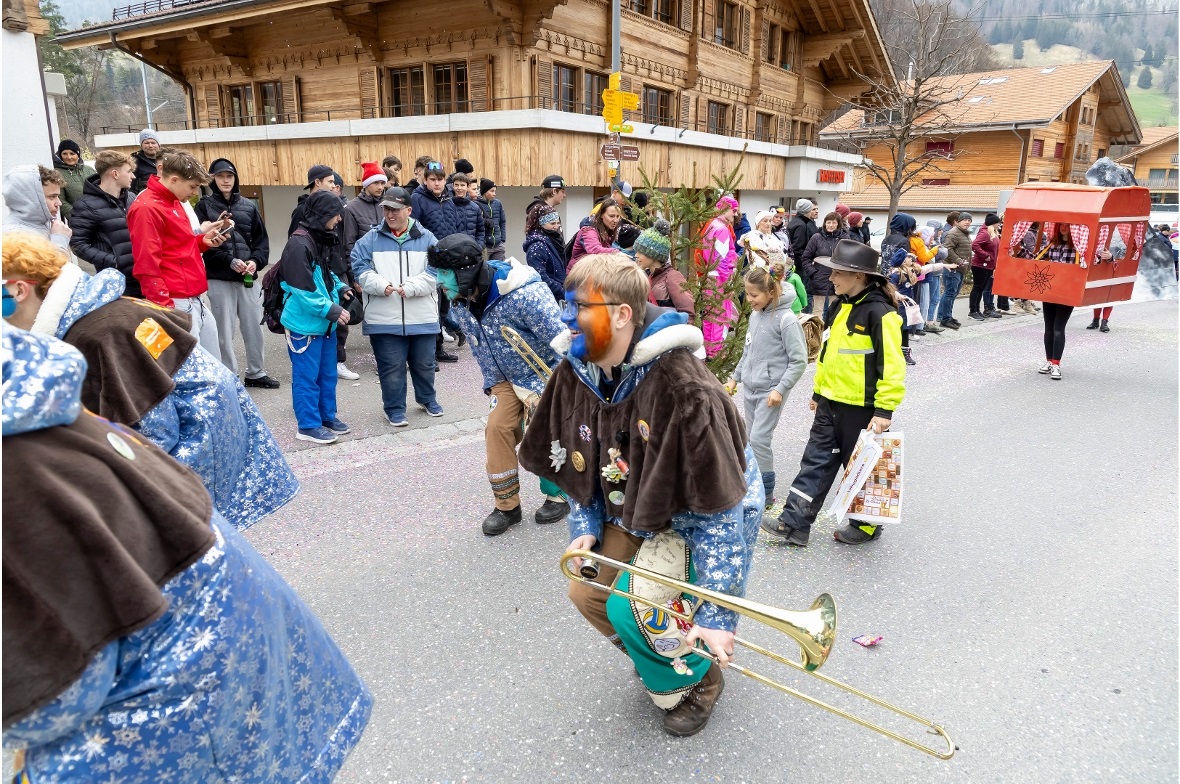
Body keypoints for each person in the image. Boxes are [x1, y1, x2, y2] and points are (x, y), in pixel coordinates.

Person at [1, 327, 371, 783]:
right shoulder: (44, 381)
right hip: (211, 588)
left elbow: (55, 694)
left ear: (20, 291)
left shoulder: (96, 338)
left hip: (180, 671)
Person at [517, 253, 764, 738]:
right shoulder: (579, 367)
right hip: (632, 506)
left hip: (697, 516)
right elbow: (579, 456)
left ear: (622, 314)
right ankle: (659, 652)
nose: (566, 319)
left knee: (631, 609)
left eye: (579, 307)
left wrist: (719, 614)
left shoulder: (685, 388)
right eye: (567, 305)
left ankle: (701, 678)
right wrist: (585, 524)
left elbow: (720, 511)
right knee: (586, 591)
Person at [3, 232, 297, 531]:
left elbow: (152, 426)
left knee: (192, 539)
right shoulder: (105, 310)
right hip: (217, 421)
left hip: (195, 438)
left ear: (19, 290)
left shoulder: (97, 333)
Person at [762, 239, 905, 546]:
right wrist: (818, 392)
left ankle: (867, 526)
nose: (831, 278)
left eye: (838, 272)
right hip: (830, 403)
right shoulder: (838, 306)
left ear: (859, 276)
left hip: (863, 409)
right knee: (815, 461)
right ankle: (794, 524)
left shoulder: (881, 313)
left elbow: (893, 365)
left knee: (863, 468)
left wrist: (884, 410)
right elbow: (827, 354)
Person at [428, 235, 572, 534]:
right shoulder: (460, 301)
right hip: (504, 379)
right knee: (496, 428)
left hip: (544, 374)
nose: (439, 282)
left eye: (444, 274)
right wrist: (492, 383)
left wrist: (570, 385)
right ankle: (507, 506)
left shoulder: (525, 294)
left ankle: (558, 494)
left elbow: (562, 339)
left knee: (543, 430)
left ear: (465, 271)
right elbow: (480, 347)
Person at [350, 186, 444, 426]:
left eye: (395, 210)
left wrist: (411, 287)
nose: (389, 215)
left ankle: (427, 399)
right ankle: (394, 408)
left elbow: (437, 272)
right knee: (391, 368)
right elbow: (359, 268)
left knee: (424, 364)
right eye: (386, 209)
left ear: (409, 210)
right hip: (384, 318)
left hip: (422, 315)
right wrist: (380, 285)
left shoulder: (428, 238)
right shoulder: (370, 239)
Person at [127, 150, 231, 360]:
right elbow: (147, 266)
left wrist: (202, 241)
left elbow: (178, 247)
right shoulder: (147, 208)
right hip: (175, 301)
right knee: (188, 367)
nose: (195, 192)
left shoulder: (174, 200)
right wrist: (166, 311)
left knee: (212, 364)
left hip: (193, 297)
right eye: (192, 186)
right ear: (174, 179)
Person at [725, 260, 808, 510]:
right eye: (747, 294)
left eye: (754, 295)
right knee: (750, 439)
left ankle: (766, 492)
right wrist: (735, 377)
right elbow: (748, 351)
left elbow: (799, 361)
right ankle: (753, 485)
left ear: (771, 292)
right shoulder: (755, 316)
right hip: (751, 388)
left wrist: (780, 389)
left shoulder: (787, 320)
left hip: (771, 392)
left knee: (759, 439)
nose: (749, 299)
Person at [278, 189, 355, 443]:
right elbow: (302, 290)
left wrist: (340, 288)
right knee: (306, 378)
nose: (339, 219)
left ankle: (326, 417)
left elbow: (326, 273)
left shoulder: (316, 238)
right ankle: (308, 426)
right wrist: (332, 310)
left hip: (323, 324)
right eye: (336, 214)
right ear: (323, 214)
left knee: (327, 375)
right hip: (304, 324)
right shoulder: (298, 245)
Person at [195, 157, 279, 388]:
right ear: (213, 179)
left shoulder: (249, 206)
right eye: (220, 176)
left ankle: (256, 373)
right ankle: (229, 376)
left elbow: (261, 243)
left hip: (248, 279)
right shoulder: (204, 206)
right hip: (219, 279)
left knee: (254, 329)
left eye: (229, 176)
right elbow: (202, 244)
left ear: (236, 179)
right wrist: (229, 261)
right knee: (224, 332)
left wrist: (255, 261)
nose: (225, 180)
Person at [1036, 223, 1113, 380]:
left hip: (1068, 292)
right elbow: (1034, 259)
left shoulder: (1081, 248)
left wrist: (1110, 257)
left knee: (1058, 328)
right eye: (1061, 225)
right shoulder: (1052, 245)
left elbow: (1098, 262)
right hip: (1050, 290)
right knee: (1048, 329)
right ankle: (1049, 361)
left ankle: (1056, 364)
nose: (1063, 227)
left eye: (1068, 225)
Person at [67, 150, 140, 296]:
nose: (133, 176)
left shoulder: (132, 198)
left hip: (142, 276)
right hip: (115, 281)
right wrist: (113, 261)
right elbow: (78, 244)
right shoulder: (85, 205)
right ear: (115, 174)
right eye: (129, 171)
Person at [411, 159, 461, 364]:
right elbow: (414, 230)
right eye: (433, 179)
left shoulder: (449, 200)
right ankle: (427, 353)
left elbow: (455, 227)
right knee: (431, 307)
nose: (437, 183)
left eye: (440, 179)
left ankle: (438, 347)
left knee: (443, 308)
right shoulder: (417, 199)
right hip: (428, 262)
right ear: (425, 180)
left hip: (448, 261)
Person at [698, 195, 740, 357]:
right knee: (720, 316)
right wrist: (727, 281)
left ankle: (709, 349)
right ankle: (716, 351)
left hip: (709, 277)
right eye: (733, 210)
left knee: (710, 316)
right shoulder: (722, 229)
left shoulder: (712, 225)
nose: (735, 214)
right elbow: (721, 259)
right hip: (719, 279)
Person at [2, 165, 72, 252]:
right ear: (28, 199)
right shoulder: (14, 238)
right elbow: (47, 261)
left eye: (57, 196)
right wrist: (59, 240)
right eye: (52, 197)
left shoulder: (41, 223)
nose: (59, 203)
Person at [634, 219, 694, 316]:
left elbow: (688, 313)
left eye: (640, 252)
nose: (636, 255)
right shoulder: (646, 276)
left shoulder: (672, 277)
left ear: (653, 254)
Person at [800, 211, 845, 320]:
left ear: (838, 224)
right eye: (828, 222)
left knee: (834, 314)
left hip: (837, 280)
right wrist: (813, 273)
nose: (830, 225)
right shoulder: (816, 237)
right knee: (817, 313)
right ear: (824, 223)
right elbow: (806, 258)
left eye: (833, 223)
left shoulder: (844, 239)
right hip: (818, 281)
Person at [523, 202, 568, 300]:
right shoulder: (537, 246)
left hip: (558, 294)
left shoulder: (555, 240)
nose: (556, 227)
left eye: (558, 223)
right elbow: (540, 277)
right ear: (541, 224)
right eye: (552, 223)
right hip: (548, 298)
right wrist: (562, 291)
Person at [938, 211, 971, 329]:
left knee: (953, 293)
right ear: (959, 221)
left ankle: (948, 316)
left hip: (960, 268)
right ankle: (945, 319)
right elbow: (947, 249)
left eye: (969, 220)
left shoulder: (964, 233)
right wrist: (959, 261)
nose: (967, 222)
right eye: (965, 220)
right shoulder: (953, 233)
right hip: (952, 268)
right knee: (950, 293)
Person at [568, 198, 622, 267]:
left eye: (618, 216)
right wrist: (618, 253)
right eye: (611, 216)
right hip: (578, 271)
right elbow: (595, 250)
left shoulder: (608, 230)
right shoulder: (588, 230)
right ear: (601, 214)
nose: (615, 220)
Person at [968, 213, 1002, 320]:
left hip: (988, 265)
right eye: (997, 223)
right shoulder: (985, 233)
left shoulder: (993, 233)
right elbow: (975, 245)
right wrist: (985, 255)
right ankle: (973, 311)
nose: (998, 225)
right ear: (992, 223)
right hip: (981, 265)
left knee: (981, 288)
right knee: (977, 287)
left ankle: (977, 310)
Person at [52, 139, 94, 221]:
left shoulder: (89, 170)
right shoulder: (57, 174)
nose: (69, 157)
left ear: (78, 154)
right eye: (64, 154)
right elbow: (61, 201)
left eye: (72, 153)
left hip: (98, 216)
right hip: (79, 220)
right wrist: (78, 216)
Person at [450, 172, 486, 248]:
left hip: (471, 250)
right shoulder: (447, 206)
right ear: (453, 186)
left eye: (462, 185)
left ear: (468, 186)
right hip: (453, 250)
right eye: (456, 185)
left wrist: (478, 247)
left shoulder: (475, 208)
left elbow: (480, 231)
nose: (459, 188)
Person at [476, 178, 508, 260]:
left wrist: (502, 238)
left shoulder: (498, 203)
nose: (494, 194)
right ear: (484, 191)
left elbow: (502, 221)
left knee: (499, 266)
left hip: (498, 244)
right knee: (485, 267)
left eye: (495, 191)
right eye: (492, 191)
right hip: (485, 245)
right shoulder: (476, 204)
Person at [785, 198, 819, 263]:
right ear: (807, 211)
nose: (816, 211)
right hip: (798, 263)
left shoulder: (795, 221)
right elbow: (797, 248)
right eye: (812, 209)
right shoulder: (801, 225)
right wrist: (803, 264)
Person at [129, 128, 160, 193]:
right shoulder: (134, 161)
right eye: (146, 143)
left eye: (153, 143)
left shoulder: (167, 159)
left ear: (158, 144)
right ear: (141, 146)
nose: (150, 146)